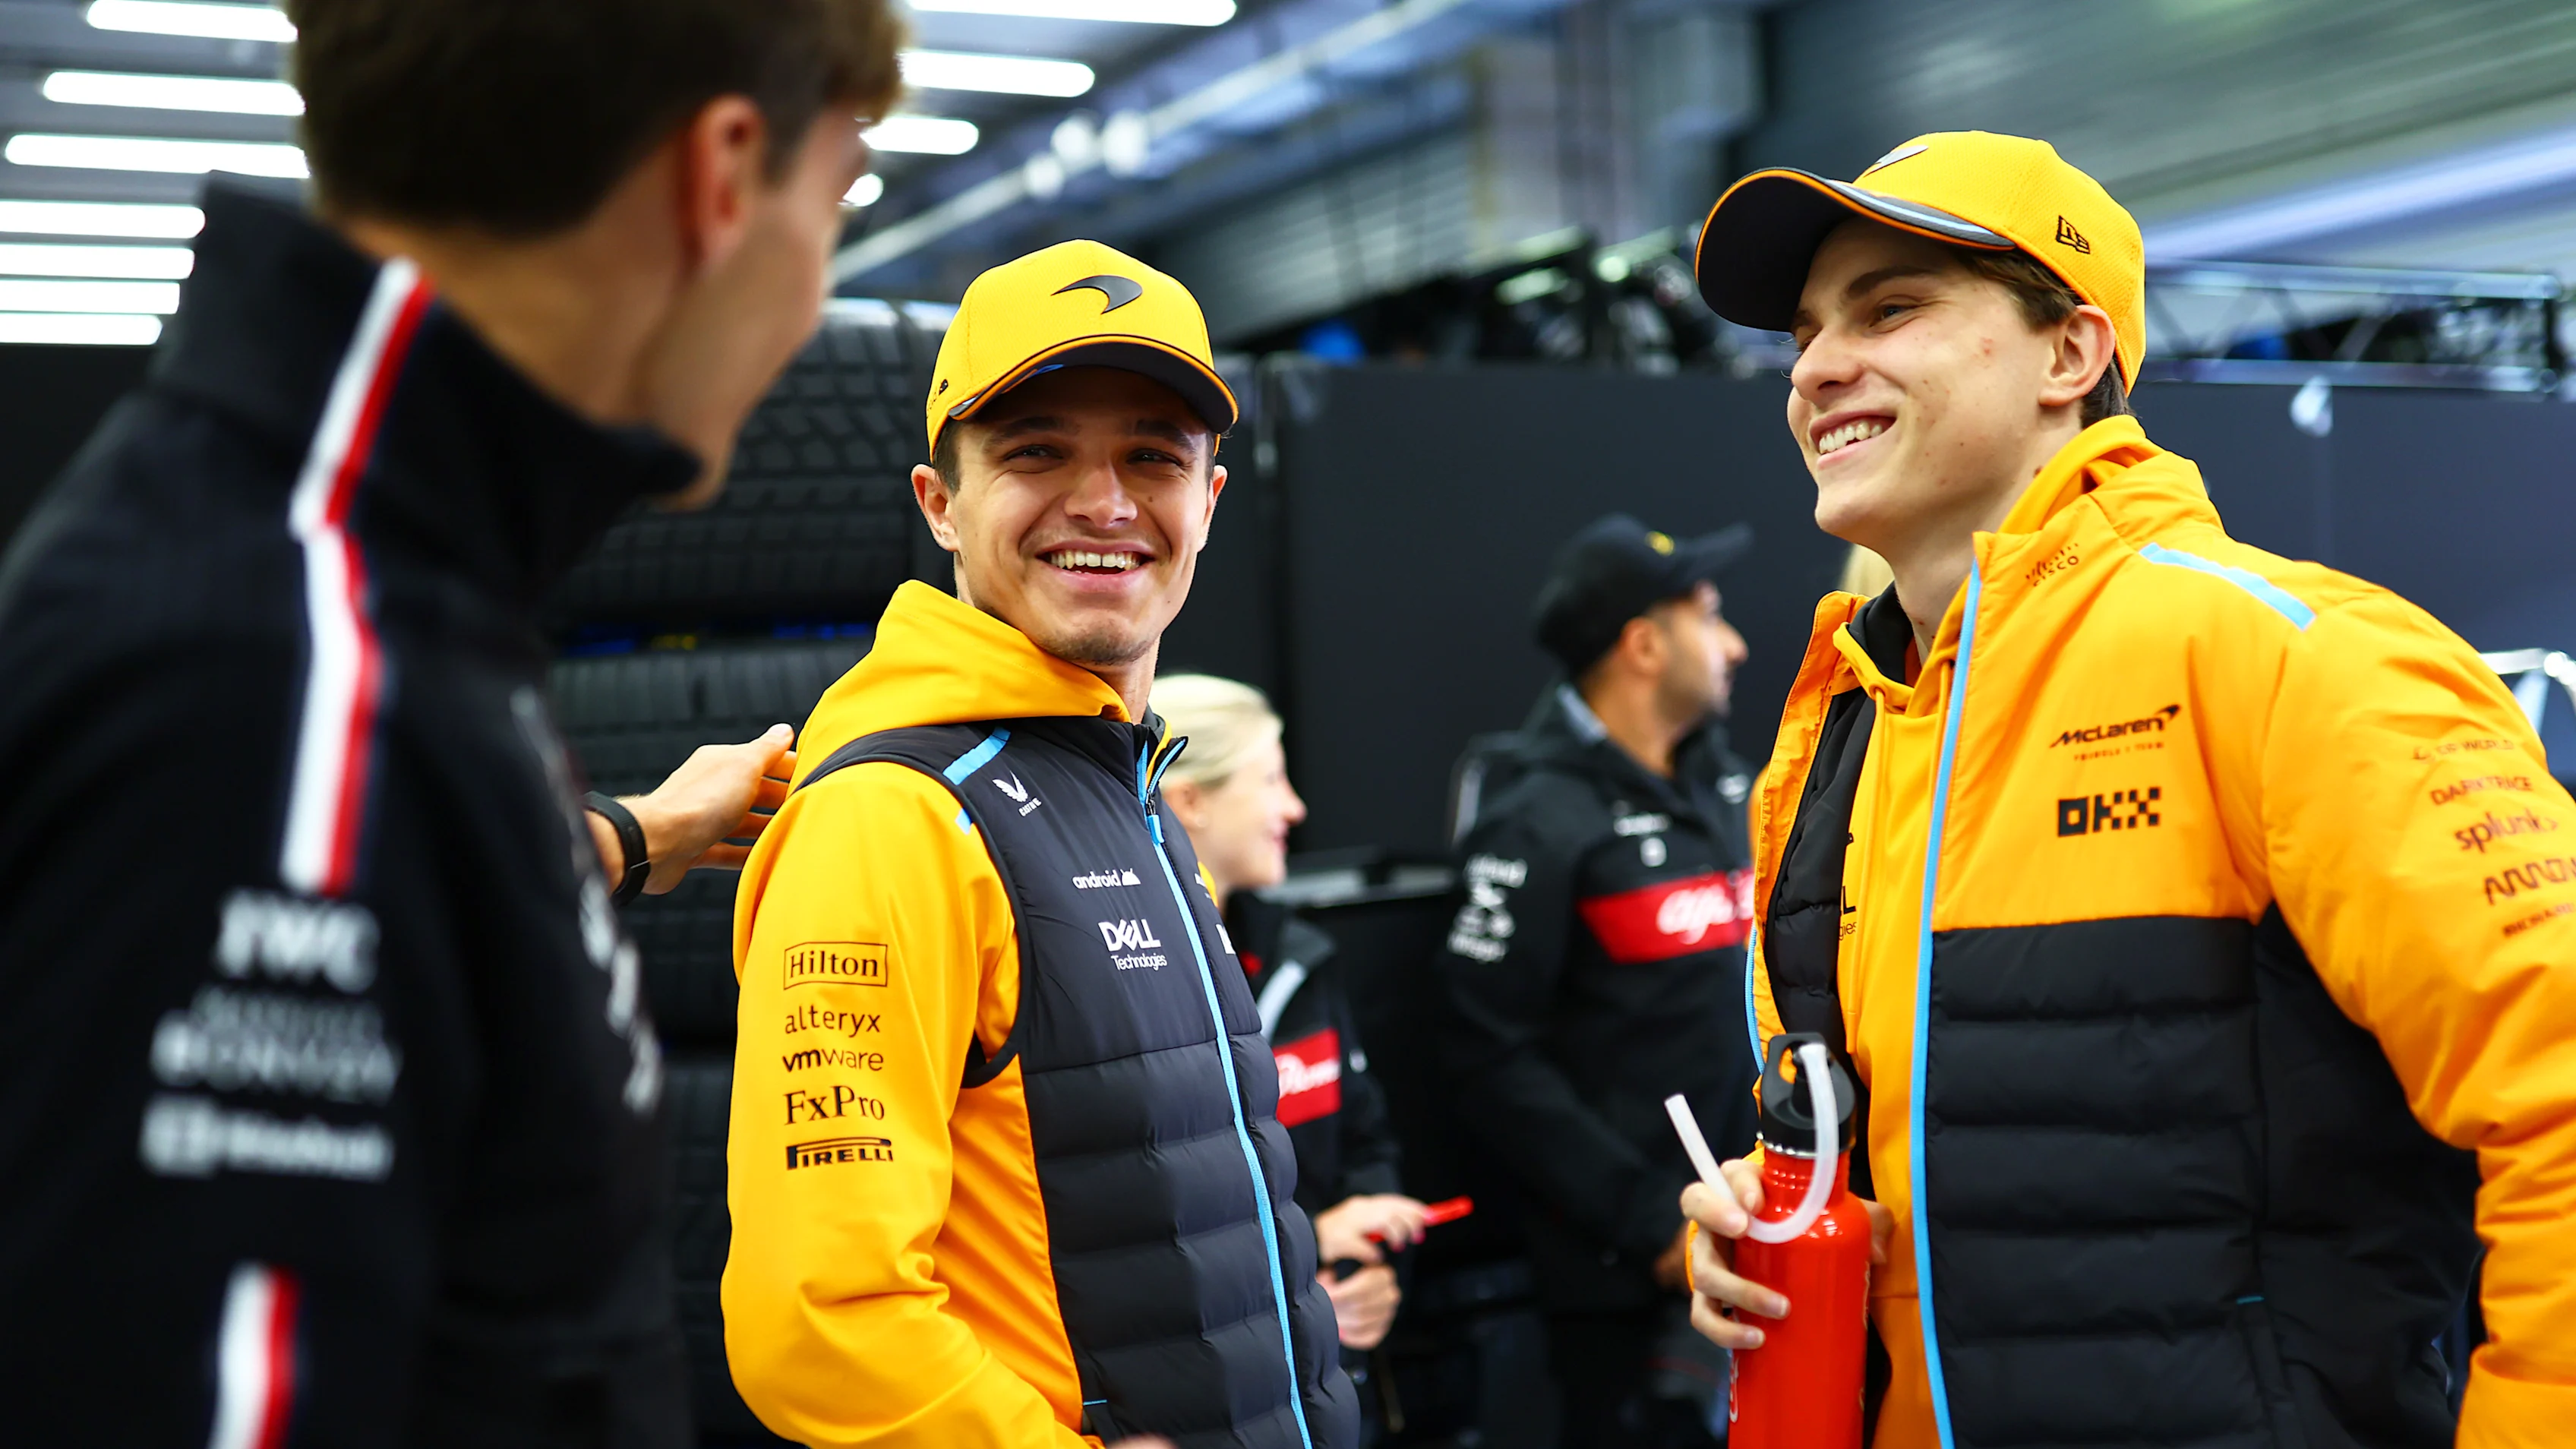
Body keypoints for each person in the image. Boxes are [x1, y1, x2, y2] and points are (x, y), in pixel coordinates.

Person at [0, 1, 901, 1443]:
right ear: (722, 176)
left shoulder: (355, 587)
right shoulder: (293, 672)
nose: (814, 297)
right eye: (838, 201)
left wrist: (633, 836)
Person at [1680, 131, 2576, 1449]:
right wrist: (1773, 1217)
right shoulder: (1842, 726)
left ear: (2069, 354)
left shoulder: (2288, 656)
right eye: (1807, 333)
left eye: (1890, 309)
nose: (1813, 368)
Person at [723, 242, 1354, 1449]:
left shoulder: (1125, 785)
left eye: (1153, 457)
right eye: (1035, 453)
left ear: (1210, 502)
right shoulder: (896, 817)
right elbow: (818, 1320)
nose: (1105, 504)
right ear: (940, 505)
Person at [1434, 514, 1760, 1449]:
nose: (1735, 644)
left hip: (1759, 1236)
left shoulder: (1730, 785)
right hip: (1625, 1284)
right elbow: (1485, 1057)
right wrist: (1648, 1222)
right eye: (1709, 615)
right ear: (1644, 646)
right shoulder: (1532, 818)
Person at [1155, 673, 1427, 1367]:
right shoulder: (1127, 981)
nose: (1295, 808)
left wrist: (1363, 1269)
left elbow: (1366, 1140)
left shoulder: (1302, 958)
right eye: (1271, 780)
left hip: (1334, 1368)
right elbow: (1143, 1221)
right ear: (1190, 801)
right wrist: (1300, 1259)